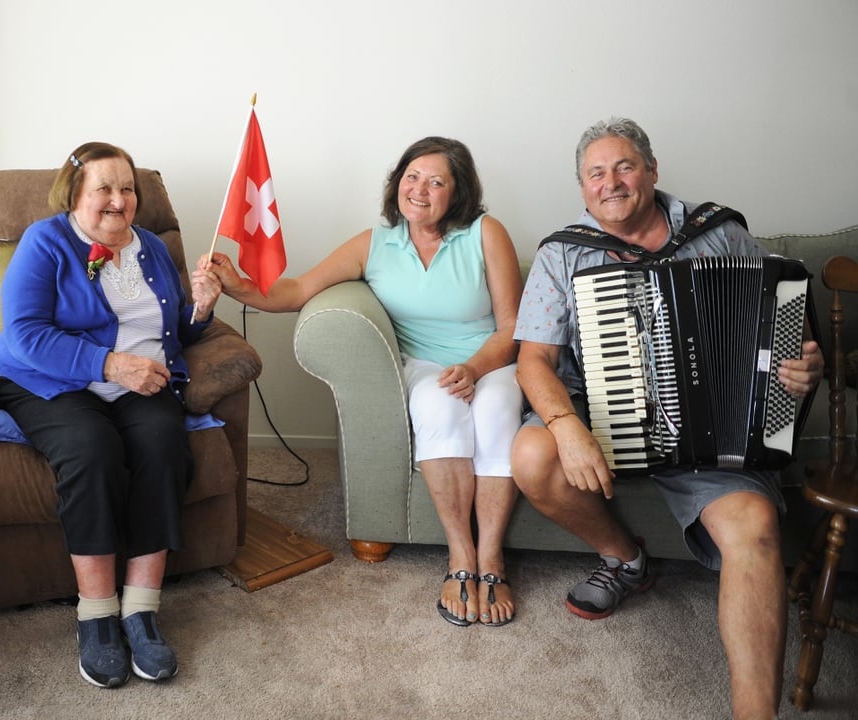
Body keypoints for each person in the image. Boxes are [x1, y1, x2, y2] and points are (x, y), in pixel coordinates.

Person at [512, 117, 823, 720]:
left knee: (755, 524)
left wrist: (803, 365)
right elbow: (534, 362)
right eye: (595, 174)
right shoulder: (562, 254)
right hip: (597, 419)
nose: (612, 182)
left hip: (711, 438)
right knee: (530, 455)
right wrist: (565, 427)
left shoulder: (722, 234)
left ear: (652, 171)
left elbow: (787, 320)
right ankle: (625, 558)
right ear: (582, 190)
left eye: (624, 166)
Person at [208, 136, 523, 626]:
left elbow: (511, 328)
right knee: (439, 408)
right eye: (411, 177)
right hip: (424, 364)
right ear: (397, 183)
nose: (420, 189)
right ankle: (461, 557)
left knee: (496, 411)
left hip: (491, 361)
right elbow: (296, 291)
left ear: (457, 193)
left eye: (436, 181)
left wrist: (477, 368)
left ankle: (492, 561)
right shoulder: (374, 243)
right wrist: (236, 284)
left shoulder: (486, 232)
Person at [0, 142, 224, 688]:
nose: (119, 199)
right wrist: (109, 364)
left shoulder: (152, 248)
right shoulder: (45, 242)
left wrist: (204, 309)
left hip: (138, 380)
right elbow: (22, 335)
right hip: (49, 380)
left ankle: (141, 610)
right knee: (91, 450)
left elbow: (172, 332)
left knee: (164, 445)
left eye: (128, 188)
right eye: (104, 188)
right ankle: (96, 616)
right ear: (74, 194)